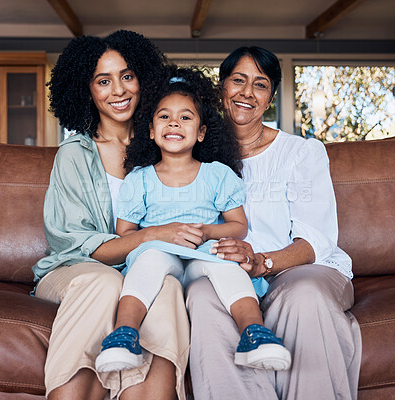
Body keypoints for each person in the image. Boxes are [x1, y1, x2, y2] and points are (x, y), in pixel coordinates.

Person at [186, 47, 362, 400]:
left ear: (269, 98)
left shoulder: (300, 152)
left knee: (303, 295)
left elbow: (316, 240)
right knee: (203, 296)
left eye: (260, 84)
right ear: (221, 88)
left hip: (300, 268)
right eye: (238, 80)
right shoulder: (198, 155)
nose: (246, 92)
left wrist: (262, 262)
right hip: (228, 275)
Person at [94, 66, 291, 375]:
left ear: (201, 132)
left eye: (185, 117)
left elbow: (239, 226)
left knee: (228, 260)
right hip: (160, 255)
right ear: (150, 130)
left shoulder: (217, 174)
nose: (174, 122)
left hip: (204, 254)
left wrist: (205, 233)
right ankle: (124, 335)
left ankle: (255, 334)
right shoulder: (139, 179)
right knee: (148, 259)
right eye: (164, 116)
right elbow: (125, 232)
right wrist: (158, 235)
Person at [32, 31, 192, 400]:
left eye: (127, 76)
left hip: (144, 269)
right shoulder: (75, 154)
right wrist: (154, 234)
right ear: (86, 90)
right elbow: (78, 244)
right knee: (105, 284)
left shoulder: (165, 145)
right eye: (103, 81)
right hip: (75, 270)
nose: (118, 90)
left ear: (143, 79)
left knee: (166, 287)